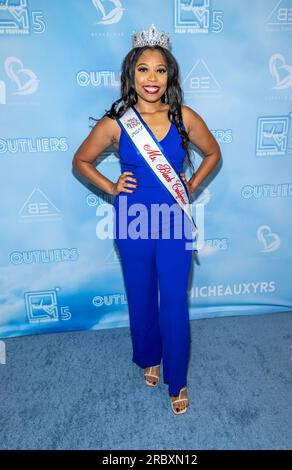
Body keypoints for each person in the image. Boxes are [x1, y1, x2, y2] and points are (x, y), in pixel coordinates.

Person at [72, 24, 221, 415]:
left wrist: (191, 184)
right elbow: (81, 161)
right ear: (130, 74)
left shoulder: (184, 117)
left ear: (169, 74)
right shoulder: (116, 123)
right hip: (133, 220)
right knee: (140, 297)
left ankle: (178, 377)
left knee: (173, 300)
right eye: (143, 69)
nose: (151, 78)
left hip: (173, 221)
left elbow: (213, 154)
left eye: (159, 69)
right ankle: (149, 356)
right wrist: (110, 185)